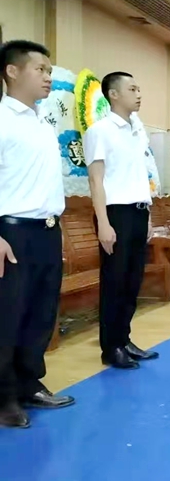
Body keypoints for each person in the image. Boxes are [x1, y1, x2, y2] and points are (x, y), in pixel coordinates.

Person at [0, 40, 74, 428]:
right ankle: (4, 398)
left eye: (49, 70)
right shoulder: (2, 118)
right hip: (11, 234)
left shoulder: (42, 121)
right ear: (12, 71)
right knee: (7, 316)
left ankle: (29, 384)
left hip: (46, 230)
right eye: (40, 69)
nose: (48, 76)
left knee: (40, 313)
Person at [84, 71, 158, 370]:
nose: (139, 94)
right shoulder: (100, 131)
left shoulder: (136, 131)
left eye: (139, 88)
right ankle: (111, 347)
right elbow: (95, 180)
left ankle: (124, 339)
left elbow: (141, 176)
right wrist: (103, 223)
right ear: (113, 94)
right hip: (115, 214)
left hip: (138, 212)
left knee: (132, 281)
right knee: (114, 282)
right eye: (132, 89)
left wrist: (148, 215)